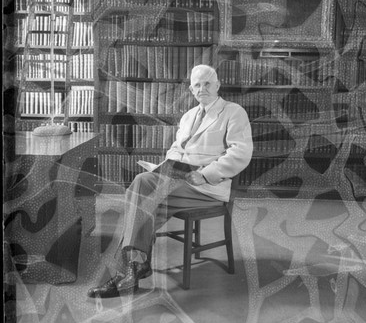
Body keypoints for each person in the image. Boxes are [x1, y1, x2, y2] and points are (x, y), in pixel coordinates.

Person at [88, 64, 253, 298]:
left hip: (208, 186)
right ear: (191, 90)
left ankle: (129, 271)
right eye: (197, 84)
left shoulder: (233, 112)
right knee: (146, 199)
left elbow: (241, 153)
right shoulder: (188, 117)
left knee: (142, 186)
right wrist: (164, 167)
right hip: (178, 183)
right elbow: (176, 151)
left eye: (207, 83)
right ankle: (134, 268)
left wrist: (204, 174)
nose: (202, 88)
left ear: (217, 85)